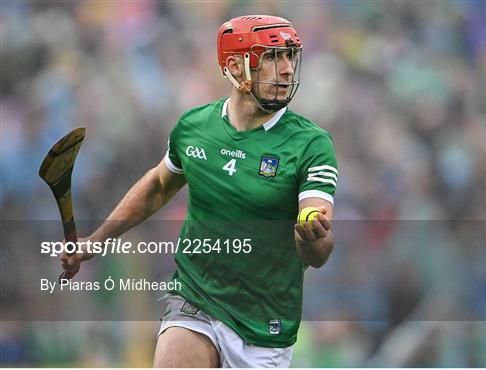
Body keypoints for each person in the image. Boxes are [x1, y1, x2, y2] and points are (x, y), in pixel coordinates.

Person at [60, 15, 338, 367]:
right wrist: (97, 239)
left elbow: (318, 249)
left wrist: (311, 237)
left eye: (289, 56)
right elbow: (158, 185)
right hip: (195, 295)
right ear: (235, 66)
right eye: (270, 57)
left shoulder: (311, 144)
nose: (285, 69)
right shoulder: (193, 127)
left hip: (263, 323)